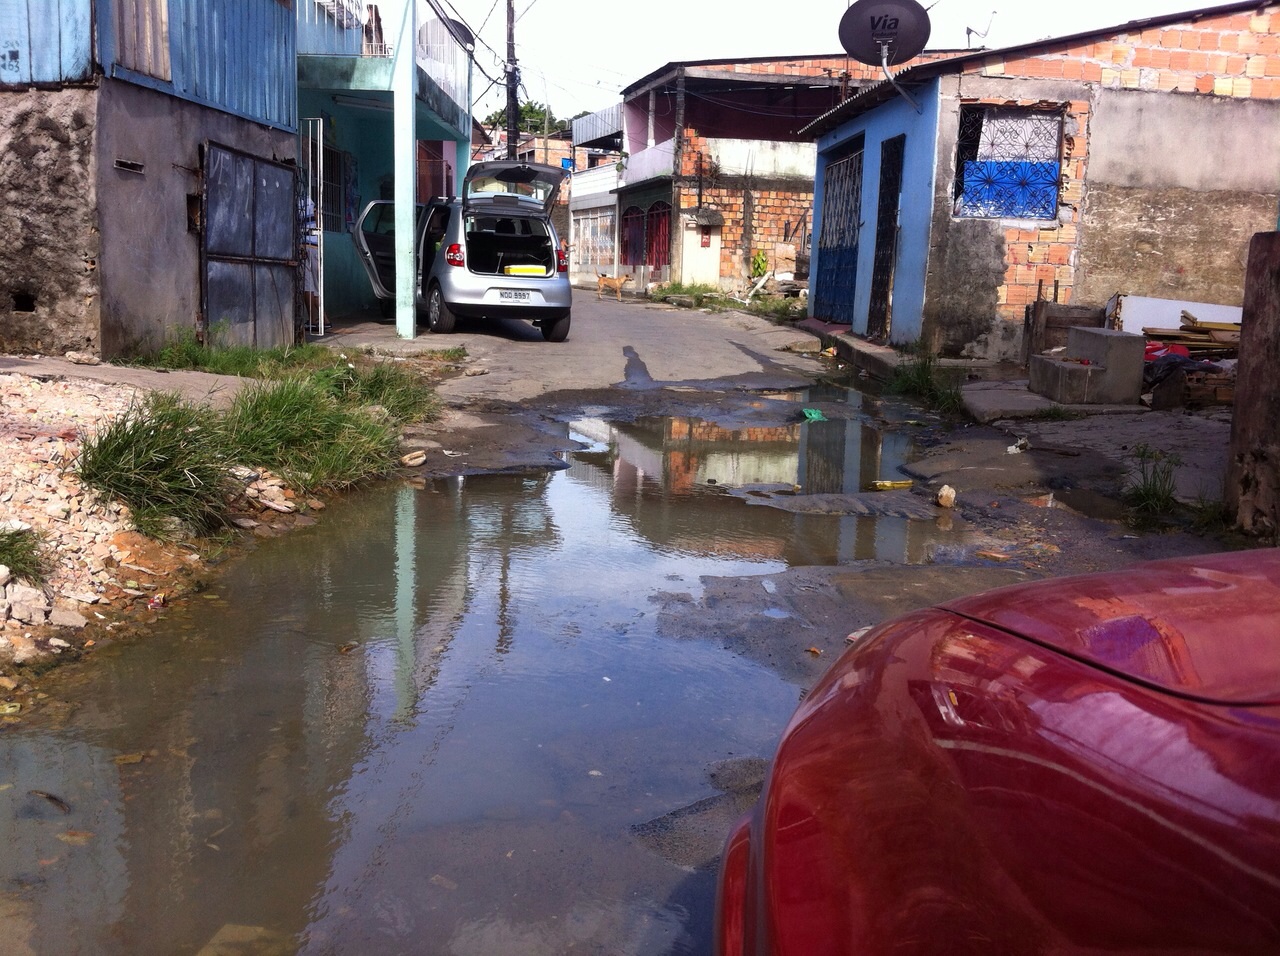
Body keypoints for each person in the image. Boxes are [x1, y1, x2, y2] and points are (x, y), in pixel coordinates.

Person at [301, 194, 321, 329]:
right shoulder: (309, 200)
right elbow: (317, 220)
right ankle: (323, 320)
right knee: (316, 285)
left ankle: (314, 320)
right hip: (316, 245)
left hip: (305, 246)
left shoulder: (297, 201)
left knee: (307, 285)